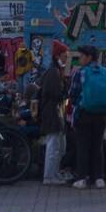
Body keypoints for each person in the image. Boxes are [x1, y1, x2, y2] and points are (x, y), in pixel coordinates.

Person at [67, 45, 106, 189]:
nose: (79, 59)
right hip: (102, 115)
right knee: (97, 145)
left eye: (81, 56)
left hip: (84, 113)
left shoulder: (80, 73)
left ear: (89, 57)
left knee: (83, 146)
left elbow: (73, 95)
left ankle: (82, 178)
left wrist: (79, 104)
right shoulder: (105, 73)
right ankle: (99, 177)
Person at [38, 41, 70, 186]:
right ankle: (49, 176)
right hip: (52, 112)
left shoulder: (54, 71)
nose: (66, 59)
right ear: (58, 55)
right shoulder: (53, 72)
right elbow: (56, 93)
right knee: (54, 145)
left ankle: (53, 173)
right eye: (64, 56)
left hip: (55, 112)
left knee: (58, 145)